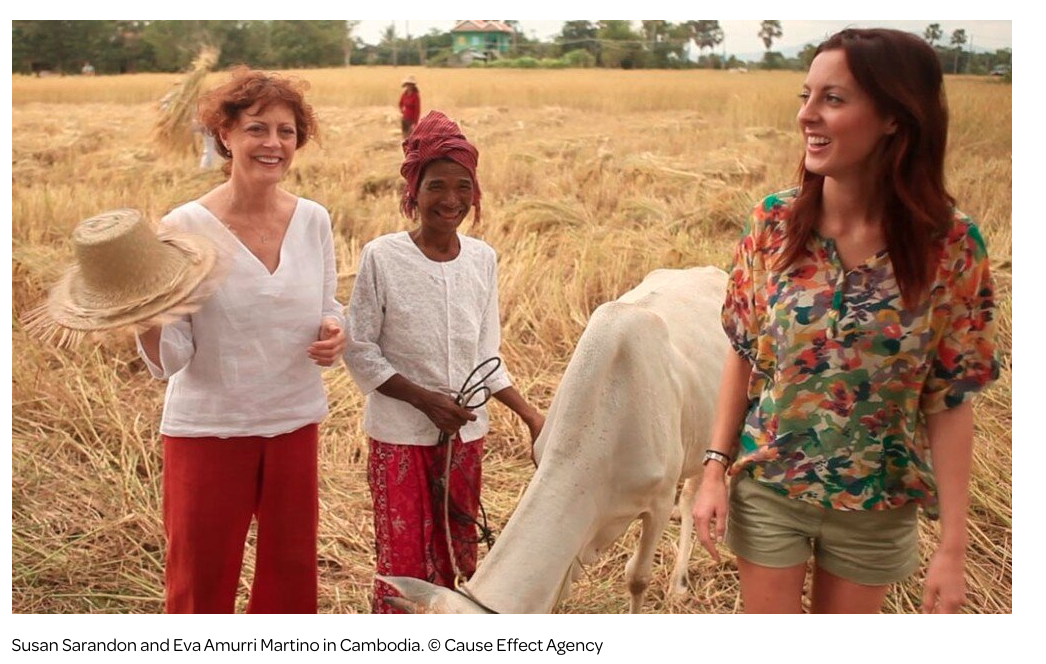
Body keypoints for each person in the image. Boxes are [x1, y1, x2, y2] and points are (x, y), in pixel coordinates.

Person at [692, 28, 999, 614]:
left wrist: (954, 546)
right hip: (770, 487)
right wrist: (713, 471)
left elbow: (950, 399)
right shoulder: (774, 223)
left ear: (894, 116)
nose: (807, 115)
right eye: (805, 95)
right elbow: (743, 352)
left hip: (877, 504)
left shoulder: (951, 245)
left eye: (833, 99)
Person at [136, 67, 345, 613]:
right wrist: (145, 314)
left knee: (291, 576)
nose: (273, 143)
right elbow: (172, 357)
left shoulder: (314, 220)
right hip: (210, 430)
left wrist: (333, 333)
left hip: (293, 421)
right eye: (257, 128)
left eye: (286, 131)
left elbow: (327, 307)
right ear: (225, 135)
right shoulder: (183, 228)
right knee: (200, 581)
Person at [343, 111, 545, 614]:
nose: (450, 199)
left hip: (465, 437)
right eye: (436, 186)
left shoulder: (482, 259)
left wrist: (531, 416)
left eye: (463, 187)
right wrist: (424, 400)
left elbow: (487, 355)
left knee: (461, 552)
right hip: (400, 436)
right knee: (405, 562)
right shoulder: (383, 257)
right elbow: (360, 348)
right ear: (413, 192)